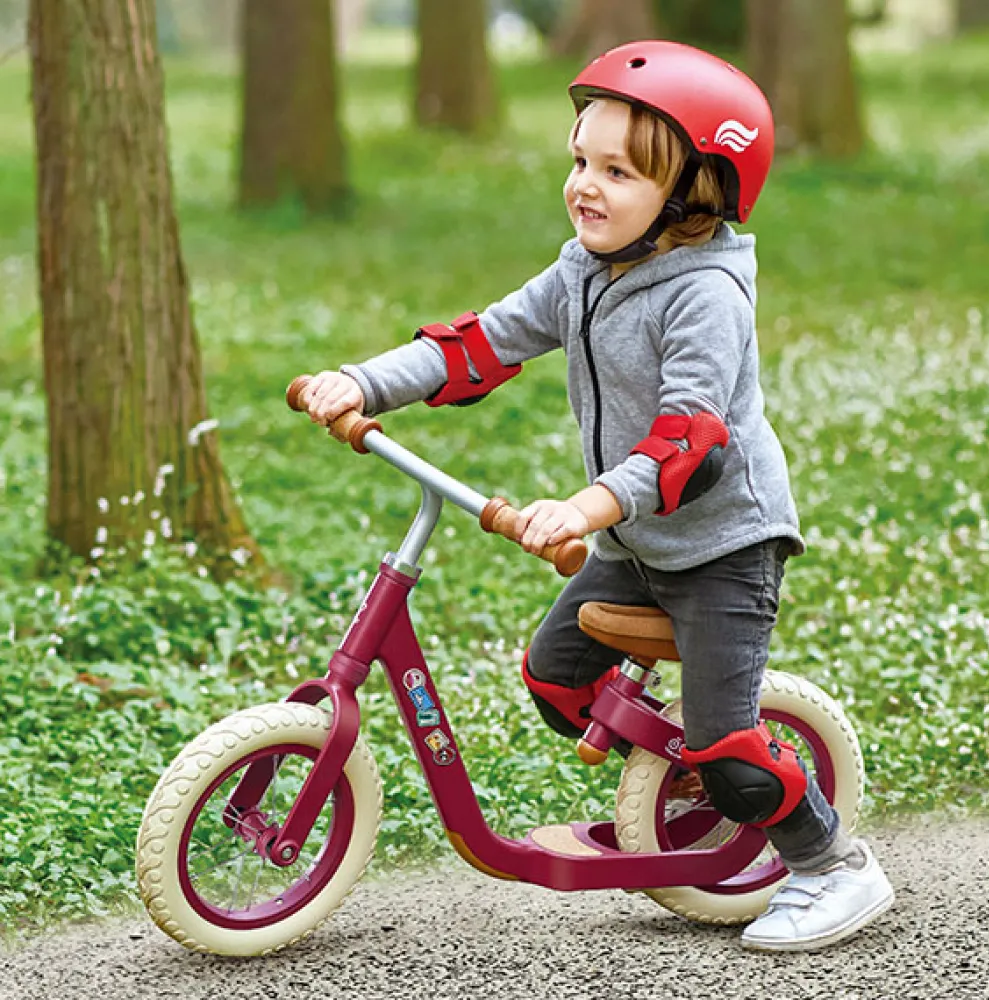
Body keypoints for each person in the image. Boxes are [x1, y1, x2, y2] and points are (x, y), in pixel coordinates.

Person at [299, 40, 894, 952]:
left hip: (721, 550)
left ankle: (829, 863)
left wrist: (583, 510)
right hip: (636, 544)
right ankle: (689, 787)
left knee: (729, 746)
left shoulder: (704, 295)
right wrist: (362, 382)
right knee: (554, 678)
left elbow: (687, 446)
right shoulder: (584, 268)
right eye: (581, 159)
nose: (586, 185)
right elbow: (481, 342)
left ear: (695, 191)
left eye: (617, 171)